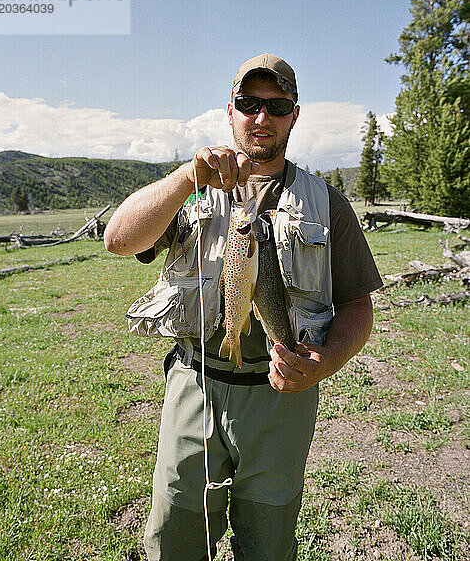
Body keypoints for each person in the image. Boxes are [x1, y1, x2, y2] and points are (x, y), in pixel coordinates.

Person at [104, 53, 383, 561]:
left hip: (282, 400)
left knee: (269, 546)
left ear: (295, 115)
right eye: (249, 103)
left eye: (277, 106)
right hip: (198, 384)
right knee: (176, 543)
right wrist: (185, 179)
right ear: (229, 111)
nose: (261, 117)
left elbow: (357, 307)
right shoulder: (192, 192)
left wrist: (327, 361)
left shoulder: (327, 204)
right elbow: (118, 240)